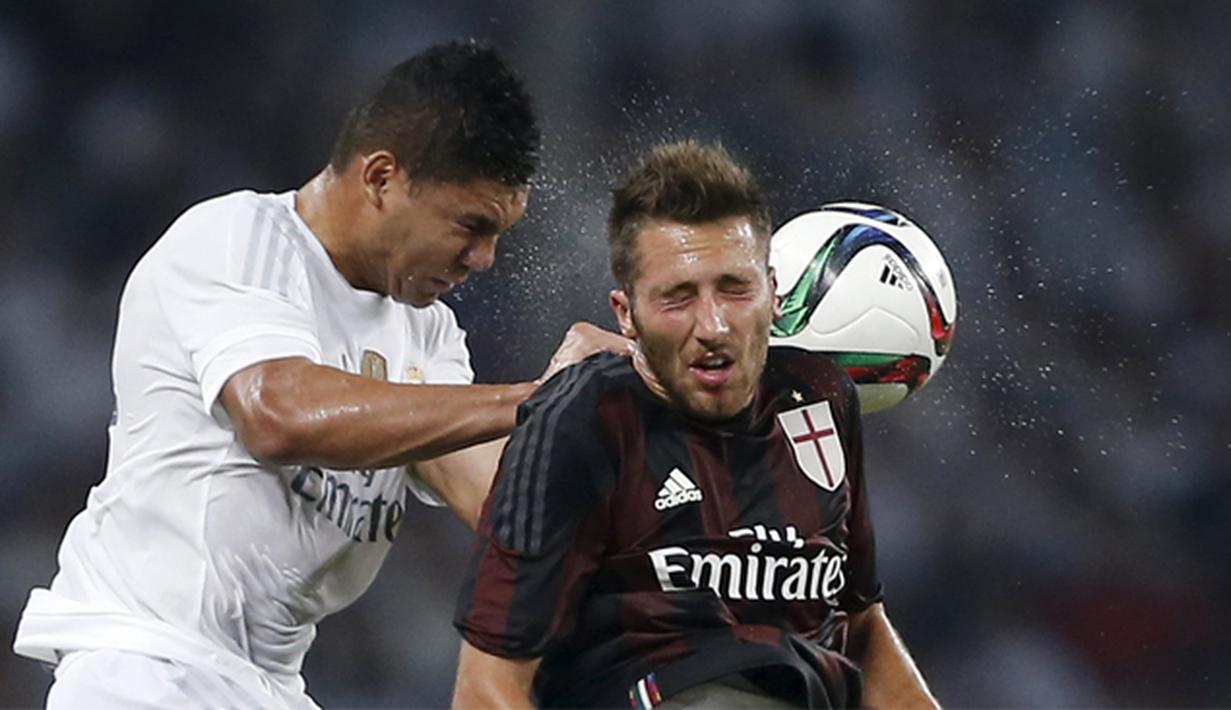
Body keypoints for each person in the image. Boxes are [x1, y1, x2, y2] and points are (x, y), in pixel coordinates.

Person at [12, 41, 629, 709]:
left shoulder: (425, 331)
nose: (483, 259)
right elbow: (276, 414)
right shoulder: (238, 240)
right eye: (470, 225)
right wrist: (538, 397)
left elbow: (496, 495)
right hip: (149, 665)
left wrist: (633, 442)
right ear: (381, 178)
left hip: (268, 688)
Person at [451, 141, 939, 708]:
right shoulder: (584, 421)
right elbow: (485, 689)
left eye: (735, 290)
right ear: (626, 314)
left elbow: (860, 623)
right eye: (677, 298)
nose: (713, 326)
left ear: (774, 293)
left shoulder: (820, 398)